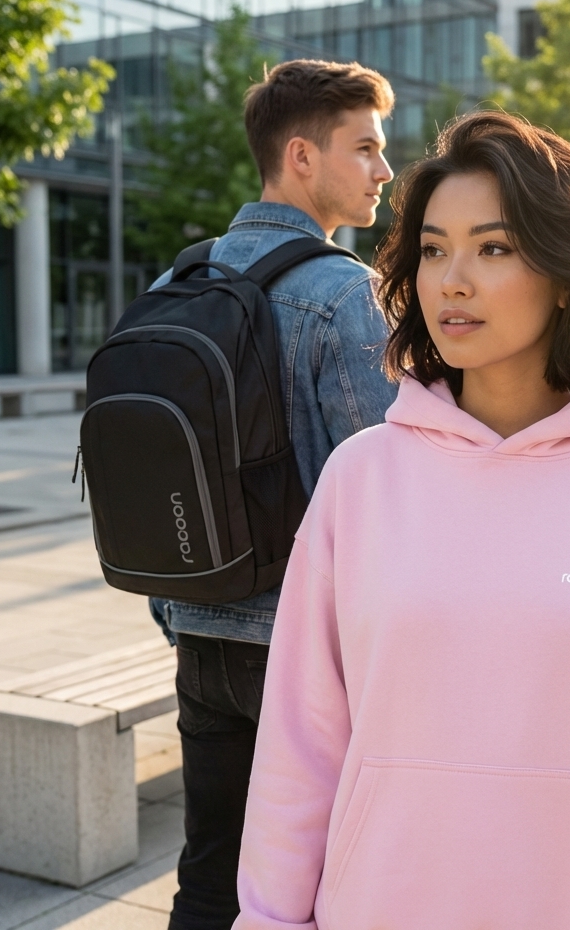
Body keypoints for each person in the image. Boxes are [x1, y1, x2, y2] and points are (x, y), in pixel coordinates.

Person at [233, 111, 570, 929]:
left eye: (492, 248)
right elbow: (299, 749)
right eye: (432, 249)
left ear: (565, 270)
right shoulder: (361, 479)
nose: (452, 279)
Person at [149, 59, 399, 930]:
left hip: (196, 633)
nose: (385, 170)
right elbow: (391, 493)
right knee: (326, 884)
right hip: (304, 657)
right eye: (365, 147)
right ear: (301, 155)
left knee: (212, 877)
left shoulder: (177, 280)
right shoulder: (343, 294)